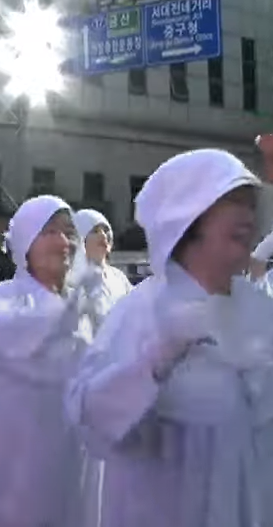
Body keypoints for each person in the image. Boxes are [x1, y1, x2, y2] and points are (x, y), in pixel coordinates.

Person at [66, 148, 273, 526]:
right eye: (228, 201)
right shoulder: (142, 311)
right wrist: (154, 361)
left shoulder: (257, 308)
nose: (245, 213)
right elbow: (88, 417)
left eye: (248, 201)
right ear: (188, 220)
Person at [0, 195, 100, 527]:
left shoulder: (80, 303)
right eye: (49, 231)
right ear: (25, 241)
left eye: (68, 232)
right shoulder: (7, 296)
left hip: (74, 449)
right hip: (20, 454)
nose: (63, 241)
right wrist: (61, 318)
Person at [70, 208, 132, 326]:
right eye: (95, 231)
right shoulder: (72, 280)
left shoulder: (119, 277)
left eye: (106, 230)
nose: (103, 235)